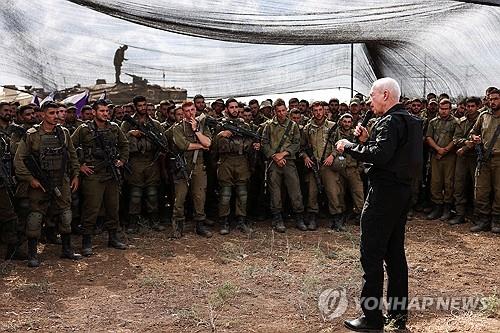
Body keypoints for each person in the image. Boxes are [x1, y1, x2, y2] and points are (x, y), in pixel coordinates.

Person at [336, 77, 422, 331]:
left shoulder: (390, 121)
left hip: (383, 195)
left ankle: (372, 319)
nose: (369, 101)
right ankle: (397, 317)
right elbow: (393, 154)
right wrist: (366, 141)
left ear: (385, 95)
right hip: (401, 193)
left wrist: (349, 146)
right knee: (395, 256)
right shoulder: (410, 120)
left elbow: (381, 156)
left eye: (372, 95)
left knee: (371, 256)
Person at [14, 101, 82, 267]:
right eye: (51, 113)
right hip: (40, 183)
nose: (56, 116)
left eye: (57, 113)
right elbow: (19, 160)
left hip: (61, 181)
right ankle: (32, 254)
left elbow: (72, 156)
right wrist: (31, 179)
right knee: (35, 217)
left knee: (66, 215)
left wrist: (76, 175)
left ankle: (67, 249)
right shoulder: (32, 135)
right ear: (42, 115)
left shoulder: (64, 133)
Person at [71, 100, 129, 256]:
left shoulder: (114, 128)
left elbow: (125, 145)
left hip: (111, 174)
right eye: (102, 111)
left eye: (107, 111)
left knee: (113, 207)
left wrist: (122, 160)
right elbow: (69, 147)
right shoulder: (84, 129)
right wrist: (80, 166)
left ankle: (113, 237)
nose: (105, 113)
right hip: (93, 175)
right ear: (94, 112)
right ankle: (87, 241)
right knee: (91, 209)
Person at [212, 98, 255, 234]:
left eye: (236, 107)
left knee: (242, 193)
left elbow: (251, 144)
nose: (234, 110)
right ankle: (224, 222)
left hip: (242, 160)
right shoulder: (220, 125)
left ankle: (241, 221)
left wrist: (255, 146)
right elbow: (211, 146)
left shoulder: (245, 126)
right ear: (226, 109)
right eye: (231, 107)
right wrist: (220, 135)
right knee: (225, 194)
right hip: (226, 161)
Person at [261, 99, 305, 232]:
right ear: (274, 111)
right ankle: (277, 218)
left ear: (287, 110)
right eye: (278, 111)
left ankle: (299, 217)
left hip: (289, 161)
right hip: (274, 162)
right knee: (275, 191)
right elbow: (264, 143)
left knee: (295, 189)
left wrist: (284, 154)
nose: (281, 113)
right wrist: (275, 156)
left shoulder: (293, 125)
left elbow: (297, 143)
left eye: (283, 110)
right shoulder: (269, 126)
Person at [170, 100, 212, 238]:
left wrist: (196, 131)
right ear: (183, 113)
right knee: (180, 198)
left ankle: (200, 225)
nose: (190, 113)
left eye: (192, 110)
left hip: (198, 166)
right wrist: (200, 146)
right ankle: (178, 226)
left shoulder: (202, 126)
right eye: (187, 111)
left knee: (200, 197)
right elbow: (184, 145)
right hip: (183, 166)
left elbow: (208, 142)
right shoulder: (177, 128)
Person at [470, 88, 500, 233]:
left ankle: (496, 220)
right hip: (484, 160)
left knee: (499, 192)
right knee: (481, 191)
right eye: (491, 99)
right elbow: (473, 132)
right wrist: (474, 138)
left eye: (496, 99)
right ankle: (484, 220)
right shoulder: (483, 116)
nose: (493, 102)